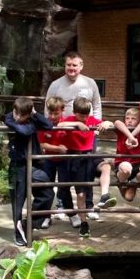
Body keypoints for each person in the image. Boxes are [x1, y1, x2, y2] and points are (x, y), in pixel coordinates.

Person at [45, 51, 102, 217]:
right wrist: (51, 129)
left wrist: (95, 128)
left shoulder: (90, 83)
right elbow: (48, 106)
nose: (71, 68)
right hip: (65, 134)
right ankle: (63, 204)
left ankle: (88, 205)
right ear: (65, 65)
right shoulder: (55, 85)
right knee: (65, 172)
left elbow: (97, 106)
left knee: (87, 169)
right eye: (68, 65)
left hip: (87, 134)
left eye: (74, 65)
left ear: (81, 66)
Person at [5, 96, 59, 247]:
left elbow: (48, 125)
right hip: (18, 165)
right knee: (18, 200)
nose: (19, 118)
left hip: (35, 165)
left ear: (29, 113)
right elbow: (24, 131)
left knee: (48, 193)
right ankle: (18, 232)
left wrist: (35, 114)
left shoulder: (33, 118)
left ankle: (28, 224)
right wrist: (31, 125)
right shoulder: (9, 117)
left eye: (24, 115)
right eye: (18, 114)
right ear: (14, 110)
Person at [59, 97, 114, 238]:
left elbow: (107, 123)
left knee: (105, 167)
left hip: (89, 155)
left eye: (86, 115)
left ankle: (104, 196)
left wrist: (107, 123)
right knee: (77, 192)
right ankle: (83, 223)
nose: (84, 118)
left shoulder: (90, 120)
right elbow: (59, 126)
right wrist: (77, 124)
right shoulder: (70, 120)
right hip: (73, 157)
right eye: (81, 115)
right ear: (75, 113)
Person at [38, 96, 73, 226]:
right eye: (50, 113)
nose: (52, 116)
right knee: (47, 187)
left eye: (56, 113)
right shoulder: (44, 124)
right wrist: (58, 149)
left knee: (64, 187)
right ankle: (46, 216)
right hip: (49, 160)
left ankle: (72, 214)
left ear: (62, 110)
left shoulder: (67, 124)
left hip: (64, 161)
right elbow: (42, 143)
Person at [112, 108, 140, 203]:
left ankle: (133, 183)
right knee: (126, 168)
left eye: (133, 118)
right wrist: (130, 137)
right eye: (127, 118)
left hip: (137, 164)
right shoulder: (122, 129)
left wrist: (132, 136)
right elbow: (117, 122)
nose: (130, 120)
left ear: (138, 120)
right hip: (123, 163)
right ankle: (121, 181)